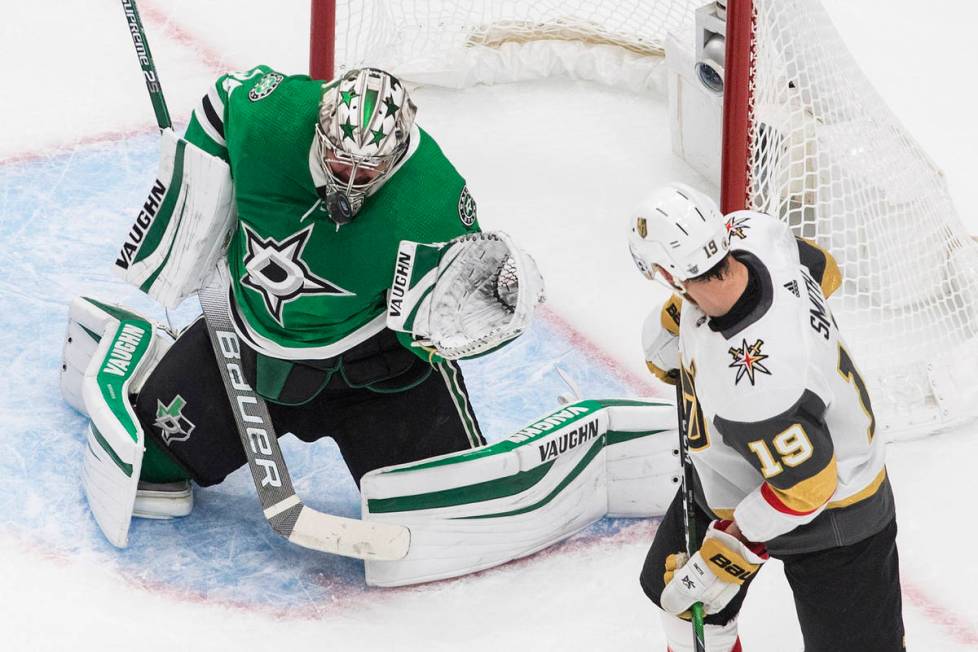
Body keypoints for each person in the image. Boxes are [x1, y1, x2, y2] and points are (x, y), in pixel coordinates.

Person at [59, 66, 543, 538]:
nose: (350, 180)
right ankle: (167, 367)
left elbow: (445, 321)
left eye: (368, 167)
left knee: (449, 513)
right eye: (339, 161)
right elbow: (222, 102)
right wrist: (196, 199)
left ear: (397, 152)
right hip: (246, 351)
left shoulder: (432, 201)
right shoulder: (275, 117)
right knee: (153, 464)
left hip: (376, 373)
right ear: (320, 130)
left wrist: (483, 308)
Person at [627, 183, 904, 652]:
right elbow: (823, 270)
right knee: (682, 606)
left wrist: (729, 551)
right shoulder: (753, 232)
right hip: (728, 472)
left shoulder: (754, 391)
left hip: (837, 513)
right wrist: (686, 317)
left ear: (666, 273)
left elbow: (808, 488)